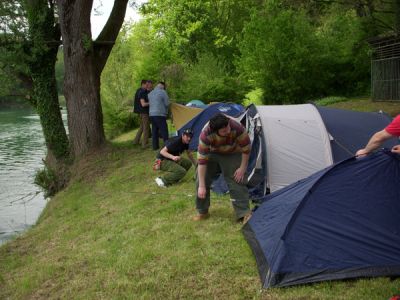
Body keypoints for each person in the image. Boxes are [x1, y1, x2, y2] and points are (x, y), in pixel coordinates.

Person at [194, 113, 252, 224]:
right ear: (215, 131)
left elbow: (246, 148)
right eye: (224, 131)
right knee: (201, 180)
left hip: (233, 152)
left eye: (228, 128)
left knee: (237, 179)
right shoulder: (205, 135)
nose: (228, 131)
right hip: (212, 152)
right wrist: (201, 186)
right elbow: (202, 162)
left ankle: (244, 213)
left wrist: (242, 168)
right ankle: (202, 212)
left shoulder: (237, 127)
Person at [148, 82, 170, 150]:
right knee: (164, 130)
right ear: (162, 86)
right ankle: (167, 146)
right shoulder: (163, 92)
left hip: (151, 114)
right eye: (164, 87)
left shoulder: (150, 93)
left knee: (154, 131)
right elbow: (167, 103)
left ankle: (155, 147)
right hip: (159, 114)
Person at [133, 80, 152, 148]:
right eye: (146, 85)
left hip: (140, 112)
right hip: (144, 112)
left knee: (142, 127)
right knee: (146, 127)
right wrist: (151, 103)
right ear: (143, 84)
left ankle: (136, 141)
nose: (147, 86)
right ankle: (144, 144)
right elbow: (143, 104)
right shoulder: (141, 92)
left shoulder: (140, 91)